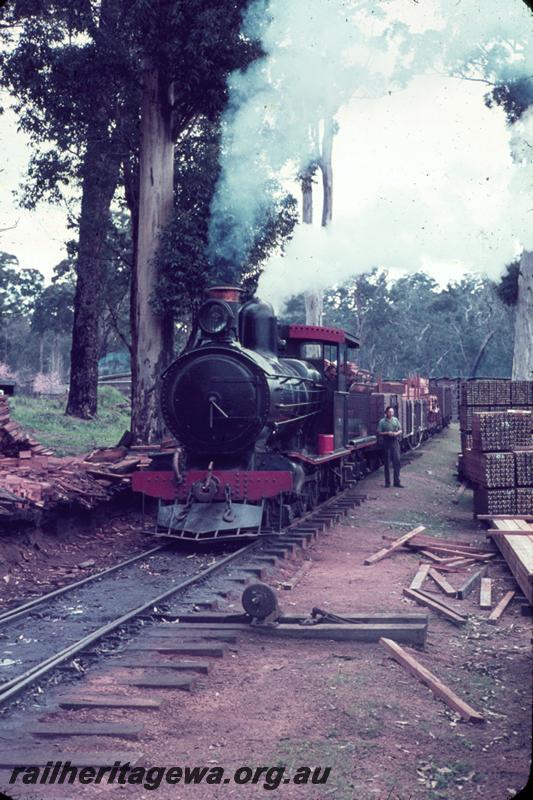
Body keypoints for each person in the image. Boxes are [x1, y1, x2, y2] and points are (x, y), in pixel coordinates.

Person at [378, 406, 403, 488]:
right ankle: (387, 483)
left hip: (395, 442)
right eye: (390, 412)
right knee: (387, 464)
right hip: (387, 443)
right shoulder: (382, 422)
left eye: (392, 412)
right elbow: (379, 432)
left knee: (397, 462)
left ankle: (397, 482)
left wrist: (396, 433)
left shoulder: (395, 420)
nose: (391, 413)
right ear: (386, 412)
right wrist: (386, 433)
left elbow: (400, 430)